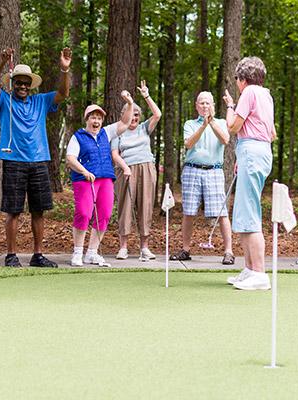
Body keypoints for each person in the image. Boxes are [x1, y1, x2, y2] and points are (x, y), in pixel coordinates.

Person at [0, 47, 72, 268]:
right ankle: (11, 255)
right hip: (14, 161)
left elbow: (63, 94)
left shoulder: (41, 101)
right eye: (19, 83)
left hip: (39, 161)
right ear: (13, 84)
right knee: (13, 210)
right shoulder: (5, 101)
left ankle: (37, 255)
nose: (23, 86)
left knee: (38, 210)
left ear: (30, 85)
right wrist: (2, 64)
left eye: (26, 83)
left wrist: (64, 70)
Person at [222, 57, 276, 290]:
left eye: (237, 79)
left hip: (252, 151)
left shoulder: (250, 93)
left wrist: (230, 106)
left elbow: (232, 127)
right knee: (244, 212)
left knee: (250, 212)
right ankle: (249, 268)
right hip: (256, 151)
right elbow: (271, 132)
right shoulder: (266, 95)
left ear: (243, 79)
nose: (237, 83)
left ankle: (260, 274)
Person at [66, 92, 134, 267]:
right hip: (84, 180)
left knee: (103, 215)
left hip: (105, 180)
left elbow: (125, 122)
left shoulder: (107, 132)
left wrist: (130, 102)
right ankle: (77, 252)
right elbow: (70, 159)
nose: (96, 121)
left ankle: (92, 253)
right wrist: (84, 171)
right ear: (87, 119)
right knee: (84, 213)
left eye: (98, 118)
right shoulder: (78, 136)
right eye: (92, 118)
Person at [169, 91, 235, 265]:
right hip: (192, 170)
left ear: (212, 105)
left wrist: (211, 123)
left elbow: (226, 139)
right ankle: (185, 249)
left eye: (208, 103)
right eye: (201, 103)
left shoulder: (220, 122)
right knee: (188, 211)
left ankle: (228, 251)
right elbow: (188, 144)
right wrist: (203, 126)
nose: (205, 106)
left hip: (214, 171)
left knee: (222, 212)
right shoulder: (190, 124)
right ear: (196, 106)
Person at [111, 81, 161, 261]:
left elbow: (157, 114)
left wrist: (146, 96)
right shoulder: (118, 131)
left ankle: (144, 248)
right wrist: (125, 167)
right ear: (124, 114)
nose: (134, 118)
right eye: (131, 114)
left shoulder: (143, 128)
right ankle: (123, 246)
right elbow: (115, 154)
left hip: (147, 167)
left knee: (146, 206)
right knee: (125, 206)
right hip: (126, 170)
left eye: (137, 115)